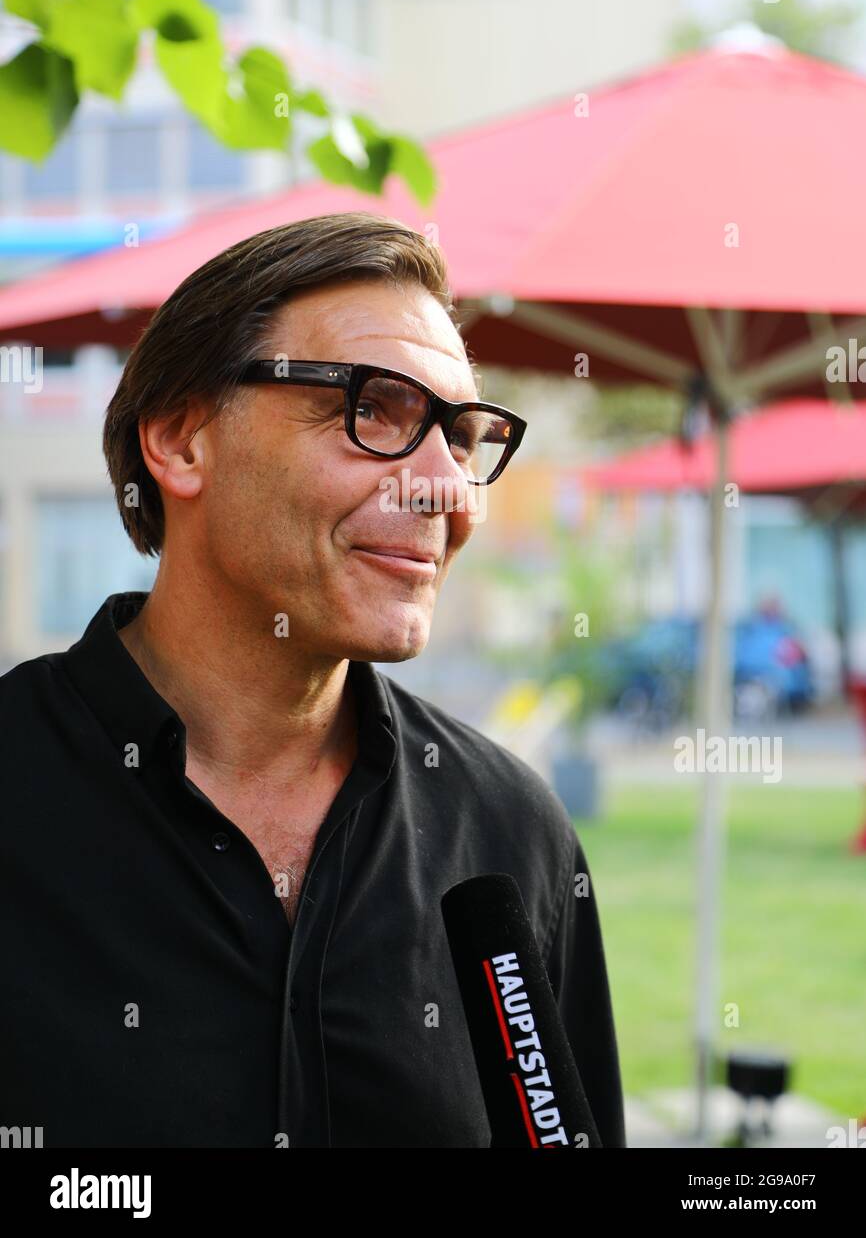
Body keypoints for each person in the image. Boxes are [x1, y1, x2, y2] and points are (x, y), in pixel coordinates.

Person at [0, 212, 626, 1148]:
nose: (447, 490)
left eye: (462, 439)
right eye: (374, 409)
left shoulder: (507, 833)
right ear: (179, 438)